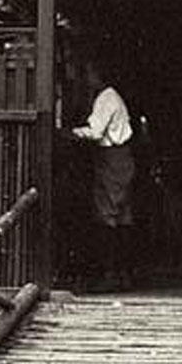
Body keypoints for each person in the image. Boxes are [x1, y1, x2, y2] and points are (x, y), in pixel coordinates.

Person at [71, 59, 136, 288]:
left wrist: (73, 132)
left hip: (112, 159)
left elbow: (96, 132)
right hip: (122, 158)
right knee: (122, 214)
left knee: (107, 214)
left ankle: (109, 274)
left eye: (88, 73)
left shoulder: (106, 98)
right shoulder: (113, 97)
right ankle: (123, 273)